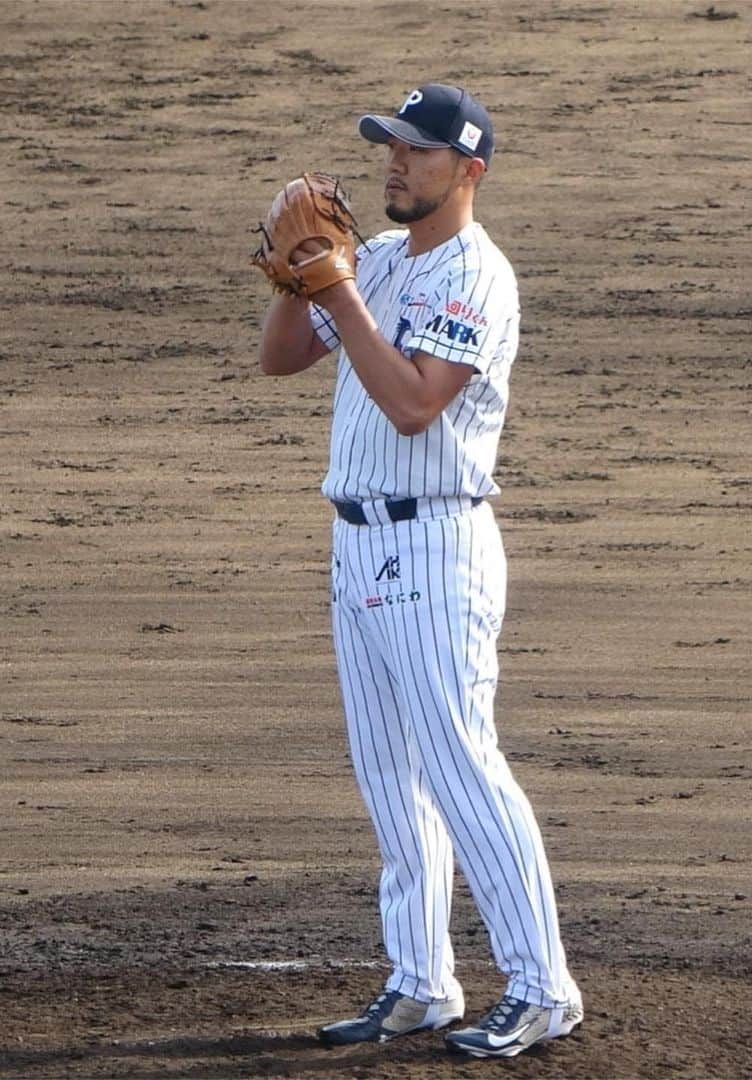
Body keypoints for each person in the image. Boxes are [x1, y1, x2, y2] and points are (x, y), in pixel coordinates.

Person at [256, 83, 583, 1059]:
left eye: (416, 151)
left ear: (467, 170)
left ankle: (541, 985)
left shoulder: (478, 279)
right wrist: (297, 278)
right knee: (392, 780)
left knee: (463, 769)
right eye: (389, 148)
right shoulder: (384, 261)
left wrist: (338, 287)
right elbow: (279, 360)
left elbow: (410, 406)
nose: (394, 164)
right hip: (356, 539)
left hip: (437, 545)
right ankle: (422, 981)